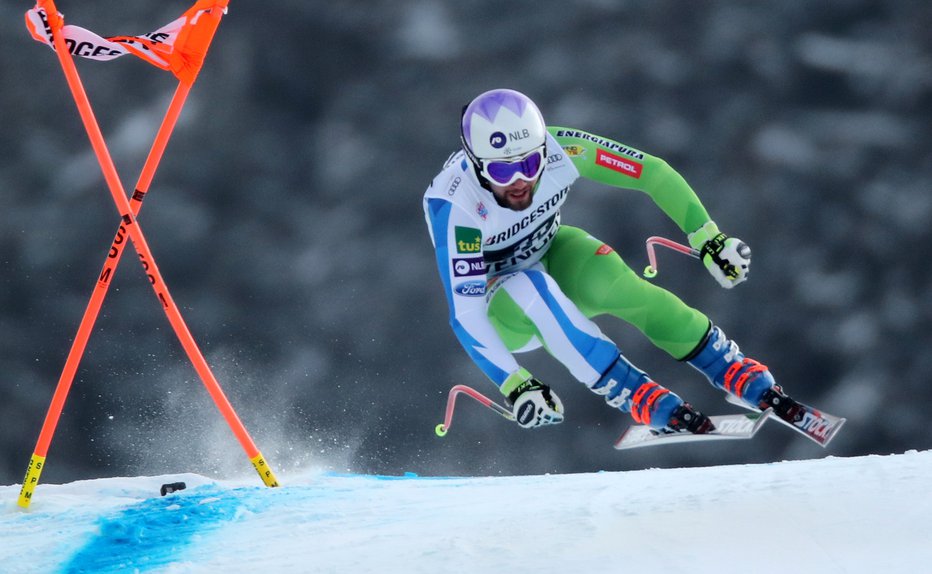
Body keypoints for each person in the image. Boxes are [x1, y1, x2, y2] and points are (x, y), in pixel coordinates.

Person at [422, 88, 804, 435]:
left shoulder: (561, 150)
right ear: (476, 164)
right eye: (502, 170)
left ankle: (730, 367)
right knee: (530, 287)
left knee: (617, 285)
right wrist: (517, 384)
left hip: (549, 250)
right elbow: (466, 314)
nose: (520, 180)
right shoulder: (458, 210)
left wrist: (708, 237)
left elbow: (651, 172)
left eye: (529, 163)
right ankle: (634, 393)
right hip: (500, 307)